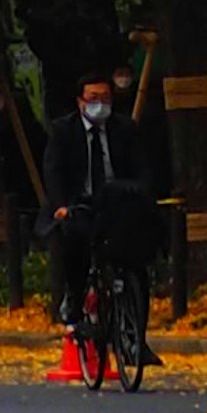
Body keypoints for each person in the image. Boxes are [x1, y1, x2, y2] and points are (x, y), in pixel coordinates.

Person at [43, 69, 150, 341]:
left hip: (117, 203)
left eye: (104, 97)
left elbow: (142, 167)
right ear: (80, 101)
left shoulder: (125, 129)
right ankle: (74, 299)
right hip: (79, 204)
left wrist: (143, 194)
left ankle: (137, 331)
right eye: (92, 97)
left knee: (137, 255)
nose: (99, 103)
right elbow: (54, 171)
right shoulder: (62, 130)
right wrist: (61, 205)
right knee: (74, 240)